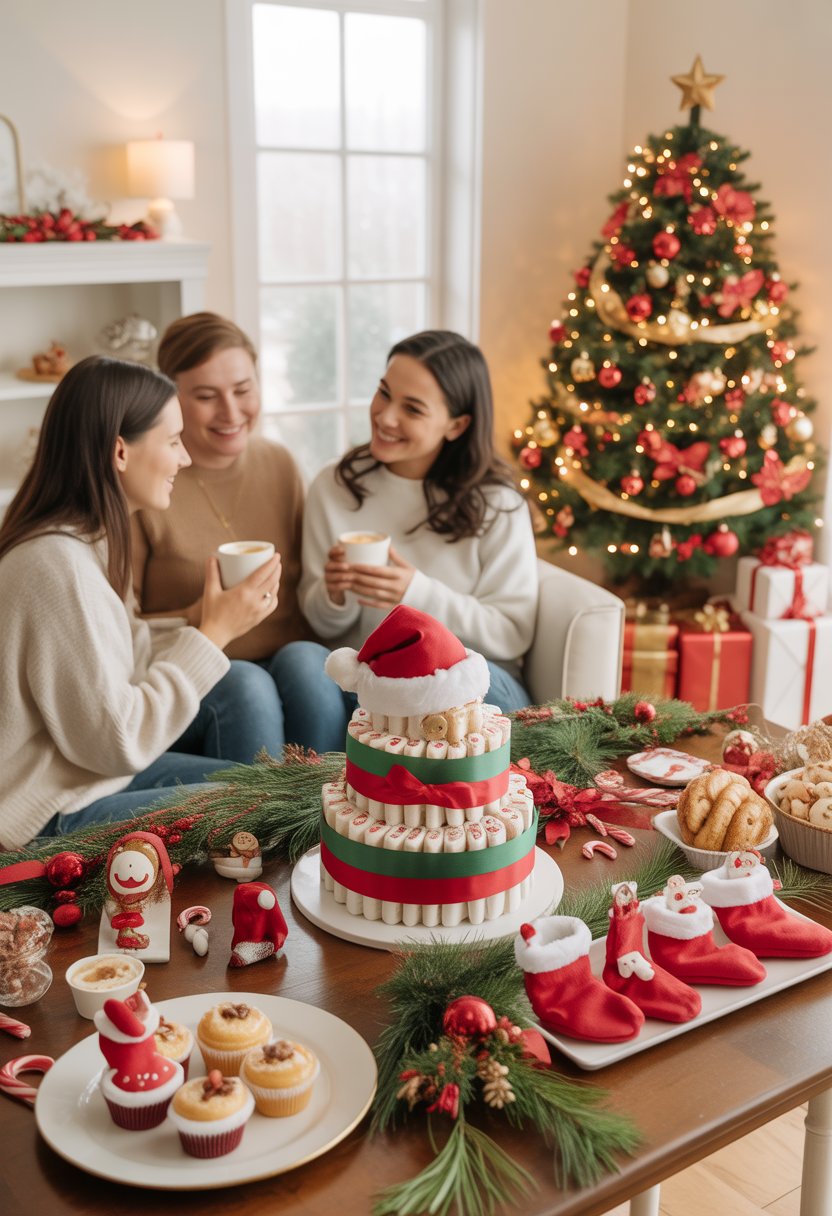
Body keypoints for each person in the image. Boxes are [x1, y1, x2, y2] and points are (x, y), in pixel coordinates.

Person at [0, 356, 284, 850]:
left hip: (84, 775)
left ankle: (240, 868)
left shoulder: (92, 541)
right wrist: (212, 634)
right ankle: (242, 874)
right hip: (46, 808)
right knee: (262, 802)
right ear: (120, 452)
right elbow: (117, 740)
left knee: (246, 704)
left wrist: (205, 620)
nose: (185, 458)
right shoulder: (57, 565)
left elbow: (118, 663)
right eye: (173, 441)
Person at [273, 329, 539, 752]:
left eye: (412, 409)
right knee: (300, 659)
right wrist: (334, 592)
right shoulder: (335, 487)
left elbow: (511, 633)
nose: (385, 416)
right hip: (370, 685)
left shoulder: (497, 505)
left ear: (457, 424)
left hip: (465, 686)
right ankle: (319, 797)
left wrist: (415, 595)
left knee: (463, 691)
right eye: (384, 393)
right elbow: (323, 625)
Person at [131, 313, 310, 748]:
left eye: (244, 390)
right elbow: (121, 627)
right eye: (207, 396)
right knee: (247, 683)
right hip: (196, 674)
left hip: (286, 661)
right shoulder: (148, 482)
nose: (231, 412)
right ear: (170, 400)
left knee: (309, 665)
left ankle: (323, 809)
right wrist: (202, 616)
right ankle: (260, 818)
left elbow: (309, 590)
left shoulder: (279, 465)